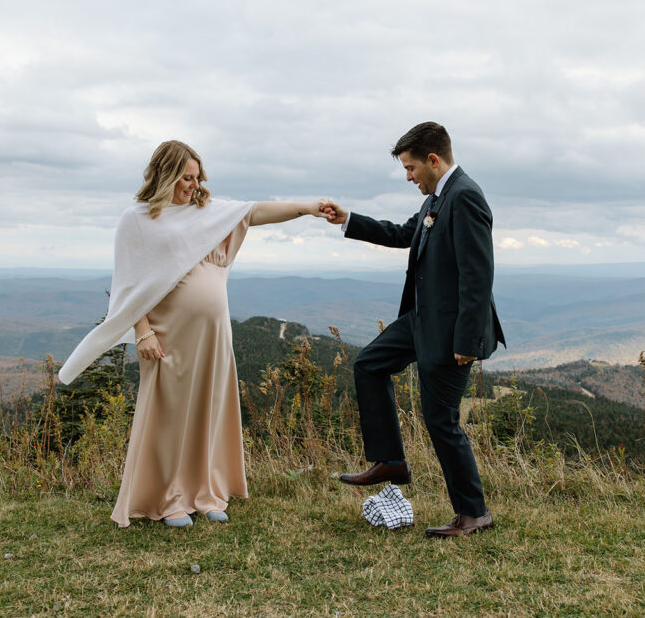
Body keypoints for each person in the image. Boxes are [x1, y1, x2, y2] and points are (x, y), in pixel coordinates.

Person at [58, 140, 327, 528]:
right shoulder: (136, 220)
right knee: (170, 415)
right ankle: (169, 500)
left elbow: (255, 211)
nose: (193, 185)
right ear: (164, 174)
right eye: (185, 177)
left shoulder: (208, 213)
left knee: (209, 408)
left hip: (214, 334)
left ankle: (207, 492)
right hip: (167, 333)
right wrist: (142, 331)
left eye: (197, 177)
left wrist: (307, 208)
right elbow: (128, 283)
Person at [320, 122, 506, 538]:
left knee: (441, 420)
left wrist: (468, 341)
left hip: (453, 330)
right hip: (421, 320)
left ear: (433, 160)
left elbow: (479, 275)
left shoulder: (466, 196)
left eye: (411, 168)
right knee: (368, 364)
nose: (408, 177)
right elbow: (404, 234)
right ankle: (391, 460)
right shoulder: (437, 198)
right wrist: (349, 220)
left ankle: (473, 513)